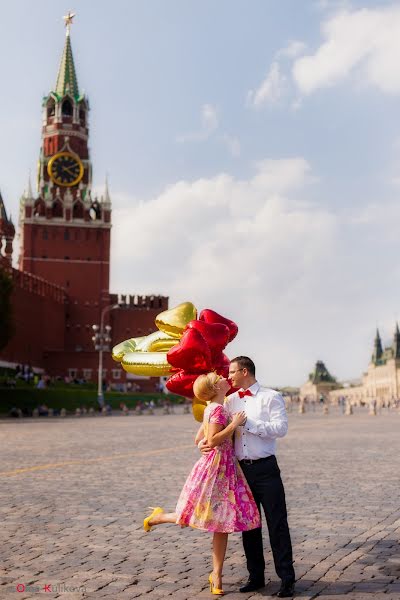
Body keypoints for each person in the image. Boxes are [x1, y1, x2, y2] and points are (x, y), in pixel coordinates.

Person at [143, 372, 261, 595]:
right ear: (216, 388)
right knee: (195, 514)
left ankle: (216, 575)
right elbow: (215, 439)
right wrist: (234, 424)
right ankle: (158, 517)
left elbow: (199, 438)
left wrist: (202, 444)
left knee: (221, 523)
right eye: (220, 379)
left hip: (225, 467)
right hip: (216, 468)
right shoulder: (216, 409)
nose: (226, 378)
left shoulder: (216, 406)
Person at [201, 356, 295, 597]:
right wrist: (203, 443)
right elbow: (213, 429)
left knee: (277, 524)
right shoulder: (230, 401)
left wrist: (248, 423)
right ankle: (256, 577)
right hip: (240, 471)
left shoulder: (270, 397)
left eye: (232, 372)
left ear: (244, 371)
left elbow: (281, 429)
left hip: (266, 469)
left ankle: (286, 578)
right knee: (249, 527)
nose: (229, 376)